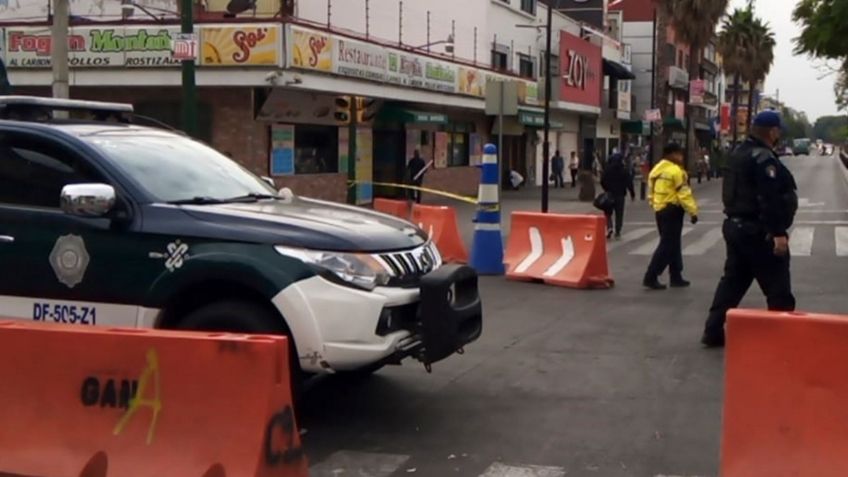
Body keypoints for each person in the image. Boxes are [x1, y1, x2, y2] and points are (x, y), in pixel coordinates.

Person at [701, 111, 798, 348]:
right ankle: (783, 339)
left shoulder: (738, 153)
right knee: (778, 289)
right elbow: (769, 198)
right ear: (772, 131)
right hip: (758, 231)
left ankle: (712, 330)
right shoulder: (763, 159)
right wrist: (777, 233)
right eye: (778, 130)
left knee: (732, 283)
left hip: (735, 226)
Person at [643, 143, 699, 290]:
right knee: (667, 245)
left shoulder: (656, 170)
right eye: (679, 154)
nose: (681, 157)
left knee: (672, 244)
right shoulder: (676, 171)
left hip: (660, 209)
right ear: (671, 154)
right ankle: (651, 275)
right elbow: (684, 193)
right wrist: (693, 211)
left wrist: (654, 204)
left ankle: (676, 275)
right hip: (672, 210)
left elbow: (651, 191)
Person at [600, 151, 636, 239]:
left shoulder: (607, 170)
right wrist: (632, 194)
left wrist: (606, 189)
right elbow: (629, 183)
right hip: (620, 195)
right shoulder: (624, 170)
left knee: (608, 213)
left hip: (609, 194)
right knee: (619, 214)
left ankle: (609, 227)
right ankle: (618, 231)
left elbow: (602, 180)